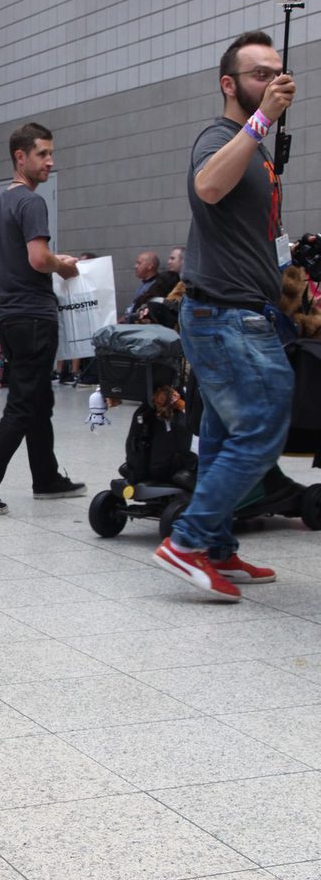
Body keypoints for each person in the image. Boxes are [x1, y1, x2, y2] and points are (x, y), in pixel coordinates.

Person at [155, 30, 296, 600]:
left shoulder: (254, 149)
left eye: (277, 72)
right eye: (259, 73)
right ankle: (187, 542)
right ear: (229, 84)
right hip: (229, 318)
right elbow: (209, 186)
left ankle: (214, 546)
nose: (273, 81)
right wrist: (261, 119)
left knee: (221, 435)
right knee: (262, 425)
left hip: (236, 313)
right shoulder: (221, 136)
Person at [0, 123, 86, 515]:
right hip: (34, 315)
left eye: (51, 153)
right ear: (20, 157)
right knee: (23, 402)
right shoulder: (33, 203)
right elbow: (39, 259)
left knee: (39, 399)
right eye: (42, 154)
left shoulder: (2, 202)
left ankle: (46, 477)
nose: (50, 162)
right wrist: (64, 265)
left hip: (10, 315)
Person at [122, 251, 161, 320]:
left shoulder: (156, 287)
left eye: (139, 263)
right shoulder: (143, 284)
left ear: (150, 266)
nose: (135, 266)